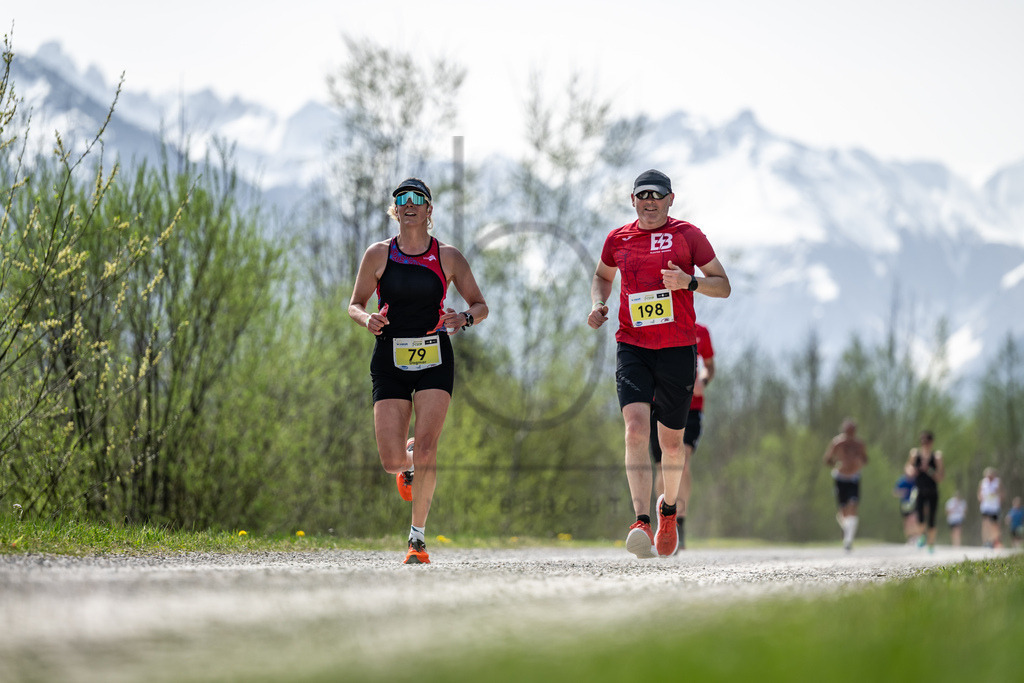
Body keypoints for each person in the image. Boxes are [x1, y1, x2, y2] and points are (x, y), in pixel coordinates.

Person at [588, 169, 731, 558]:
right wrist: (599, 303)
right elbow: (602, 276)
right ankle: (641, 521)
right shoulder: (617, 238)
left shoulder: (689, 235)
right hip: (632, 345)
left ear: (671, 200)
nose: (650, 201)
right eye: (642, 195)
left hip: (677, 349)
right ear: (631, 199)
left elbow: (723, 284)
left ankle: (667, 512)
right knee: (635, 431)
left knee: (671, 444)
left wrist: (689, 282)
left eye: (658, 195)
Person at [348, 178, 488, 564]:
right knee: (392, 460)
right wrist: (367, 320)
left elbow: (480, 305)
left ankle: (417, 540)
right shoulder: (378, 255)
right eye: (401, 199)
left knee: (429, 447)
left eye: (417, 199)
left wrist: (462, 318)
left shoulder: (448, 256)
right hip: (390, 359)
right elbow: (355, 304)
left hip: (434, 358)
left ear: (429, 210)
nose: (408, 204)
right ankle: (406, 463)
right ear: (395, 210)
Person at [648, 322, 714, 552]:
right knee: (661, 466)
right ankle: (665, 524)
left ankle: (680, 524)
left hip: (692, 408)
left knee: (681, 461)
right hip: (657, 404)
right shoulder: (655, 323)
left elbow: (710, 366)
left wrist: (703, 381)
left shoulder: (701, 332)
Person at [823, 418, 869, 551]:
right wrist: (837, 463)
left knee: (853, 506)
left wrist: (858, 460)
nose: (850, 433)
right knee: (843, 511)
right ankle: (847, 530)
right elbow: (827, 459)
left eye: (852, 430)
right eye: (847, 430)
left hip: (854, 477)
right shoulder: (838, 442)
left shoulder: (859, 444)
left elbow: (865, 459)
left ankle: (848, 540)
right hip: (840, 477)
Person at [904, 430, 944, 552]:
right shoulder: (915, 454)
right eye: (922, 441)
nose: (924, 444)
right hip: (919, 490)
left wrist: (929, 470)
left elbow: (940, 477)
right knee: (920, 516)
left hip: (932, 490)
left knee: (931, 518)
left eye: (927, 441)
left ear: (931, 442)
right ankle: (922, 536)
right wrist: (912, 470)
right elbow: (907, 467)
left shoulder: (937, 457)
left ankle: (931, 544)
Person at [978, 467, 1003, 548]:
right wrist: (980, 498)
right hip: (985, 506)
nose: (989, 478)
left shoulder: (997, 482)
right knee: (985, 524)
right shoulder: (982, 482)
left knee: (995, 525)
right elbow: (979, 493)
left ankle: (994, 541)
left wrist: (999, 498)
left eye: (990, 476)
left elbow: (1002, 493)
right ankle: (985, 541)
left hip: (995, 507)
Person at [893, 474, 918, 543]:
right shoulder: (902, 481)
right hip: (904, 505)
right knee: (907, 522)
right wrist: (902, 492)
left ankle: (915, 536)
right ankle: (910, 537)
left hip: (914, 504)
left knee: (913, 519)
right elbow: (895, 492)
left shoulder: (915, 481)